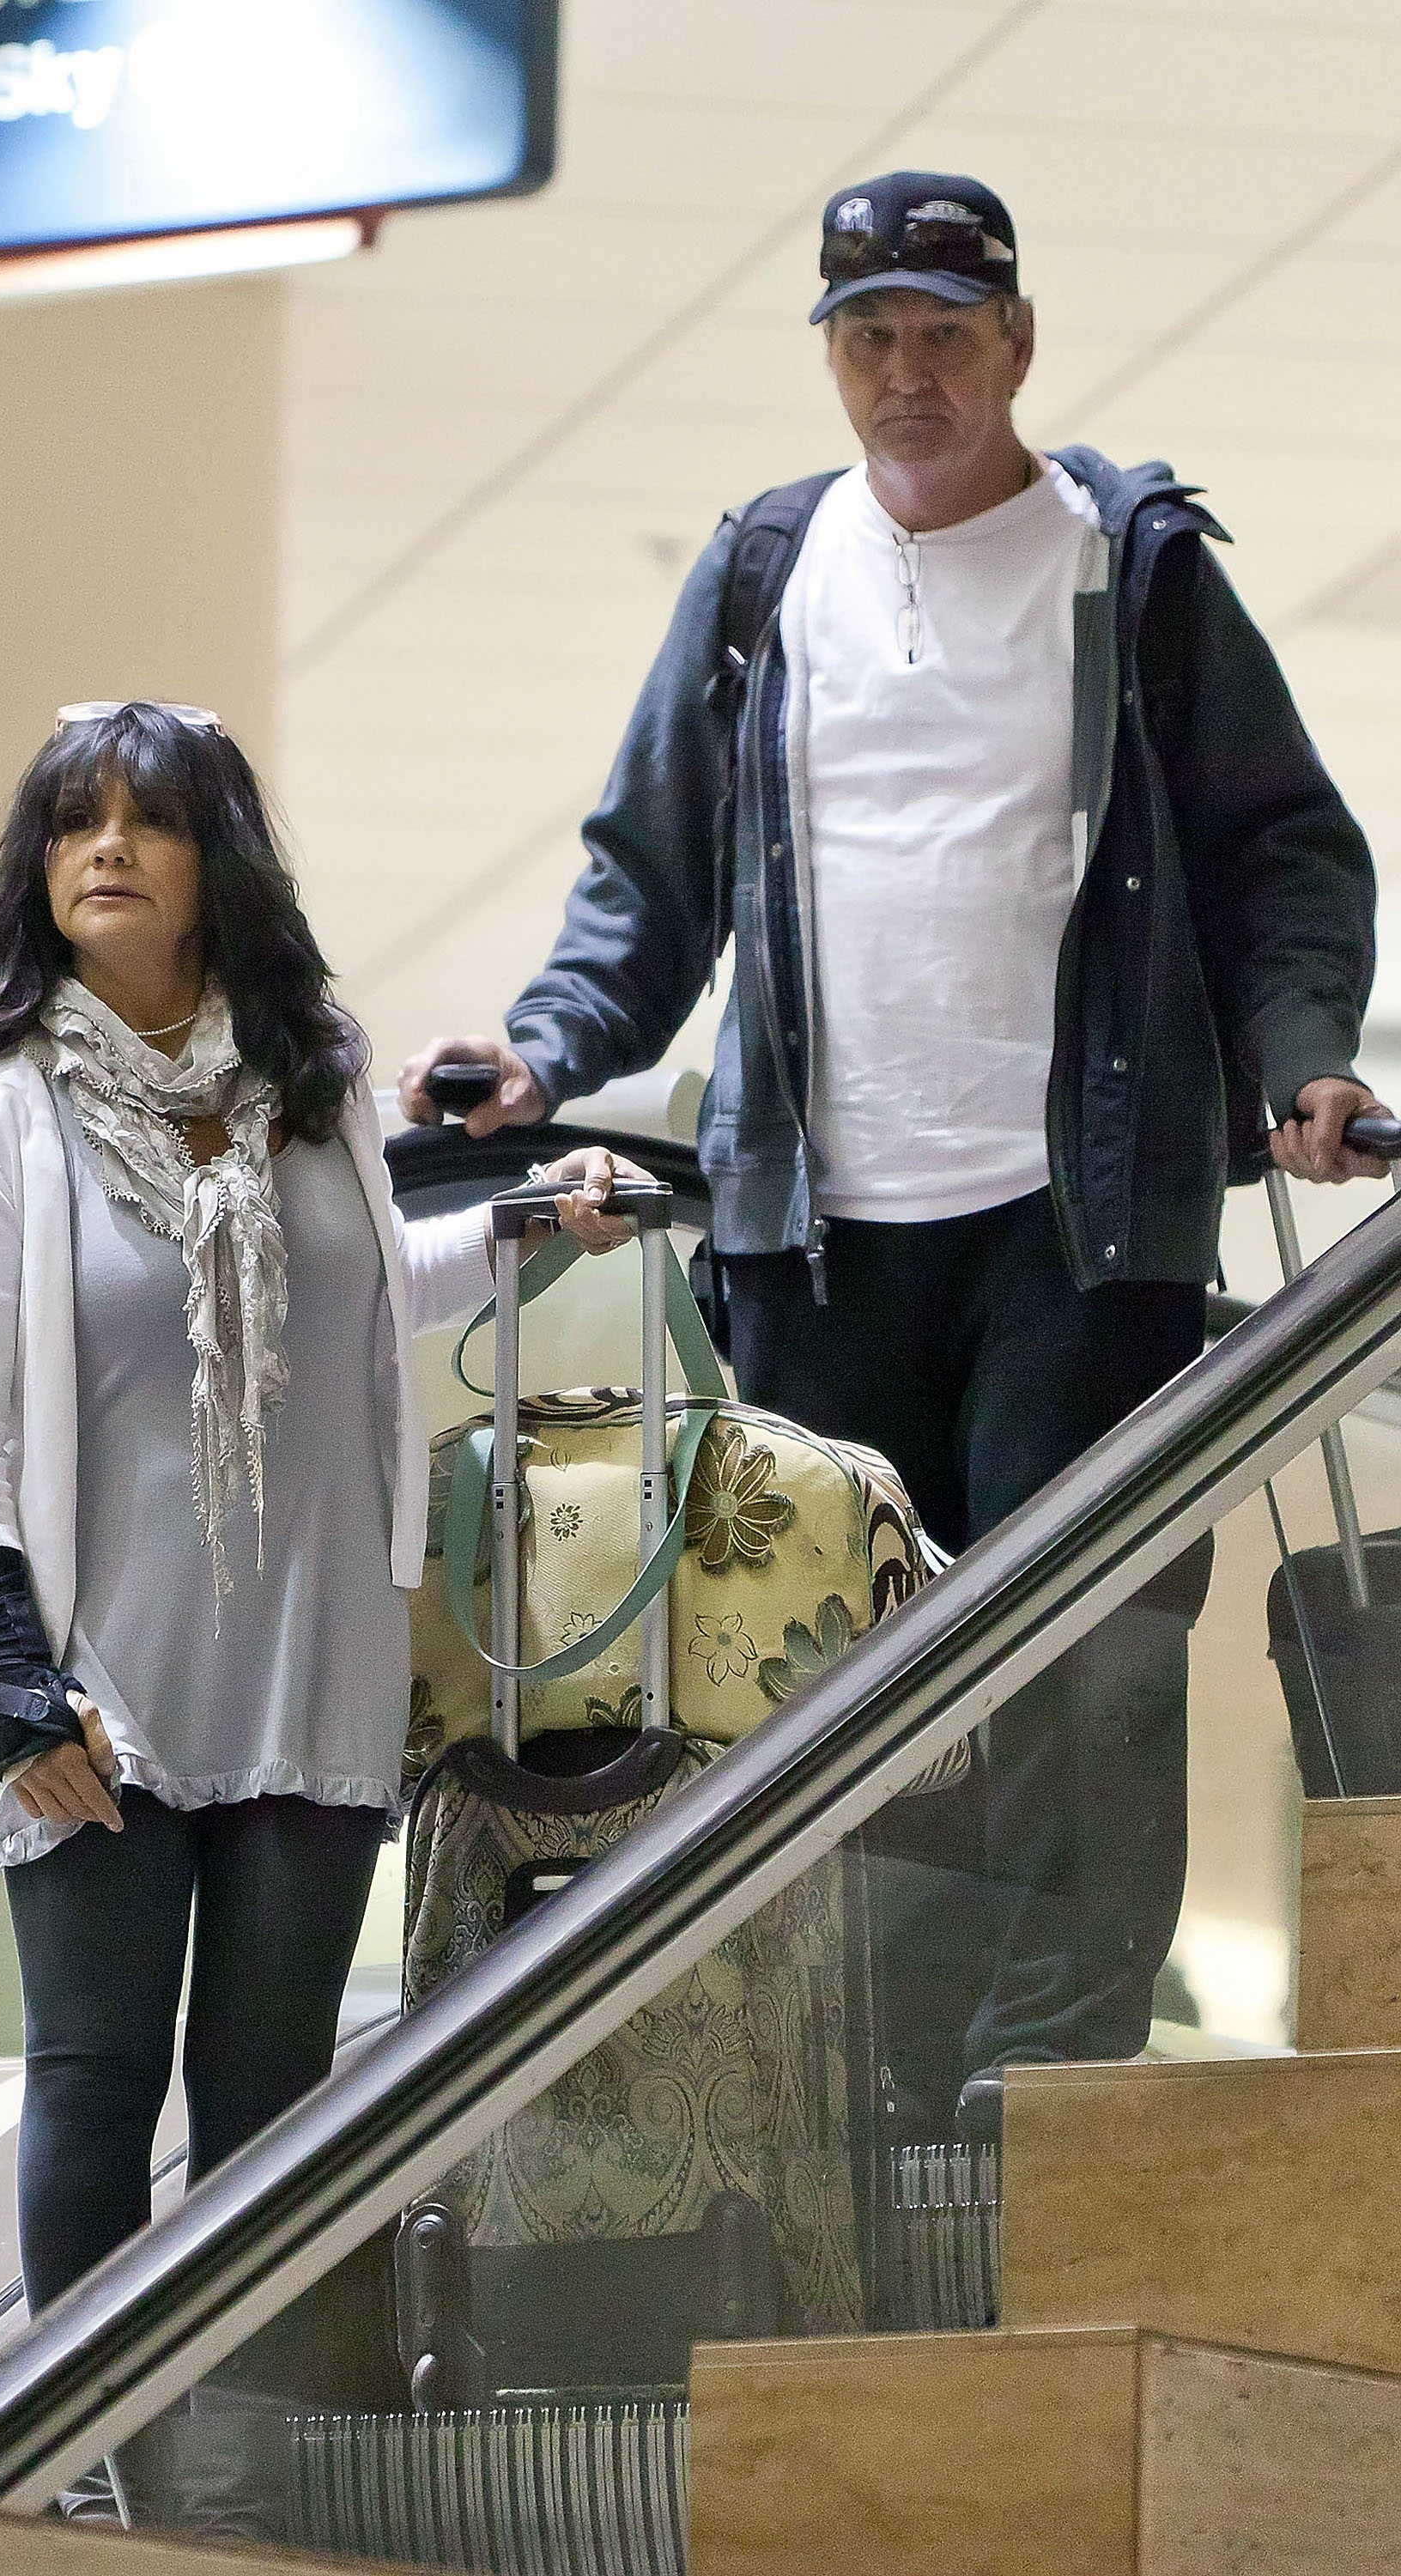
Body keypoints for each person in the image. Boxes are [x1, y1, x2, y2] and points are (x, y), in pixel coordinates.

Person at [399, 171, 1383, 2139]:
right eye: (870, 337)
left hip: (1081, 1229)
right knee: (829, 1688)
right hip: (811, 1240)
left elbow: (1283, 849)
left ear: (1016, 344)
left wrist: (1298, 1064)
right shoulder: (768, 576)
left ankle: (1038, 2100)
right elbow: (647, 883)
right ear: (829, 358)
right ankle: (871, 2113)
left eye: (947, 332)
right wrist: (548, 1052)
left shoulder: (1135, 565)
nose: (908, 373)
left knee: (1083, 1667)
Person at [0, 699, 636, 2315]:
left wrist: (525, 1227)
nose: (103, 848)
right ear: (37, 871)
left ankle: (237, 2477)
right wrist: (20, 1694)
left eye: (145, 818)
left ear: (209, 859)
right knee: (94, 2087)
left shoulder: (313, 1090)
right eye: (70, 821)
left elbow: (366, 1295)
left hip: (312, 1659)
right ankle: (71, 2496)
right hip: (102, 1690)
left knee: (270, 2108)